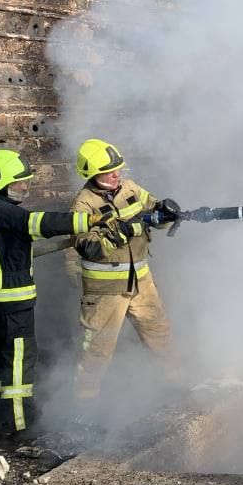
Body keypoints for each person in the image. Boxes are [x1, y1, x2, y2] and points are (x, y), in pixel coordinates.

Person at [0, 149, 95, 436]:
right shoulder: (9, 213)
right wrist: (91, 220)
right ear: (1, 183)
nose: (25, 187)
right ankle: (20, 423)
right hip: (13, 301)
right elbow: (46, 224)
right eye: (19, 182)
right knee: (18, 360)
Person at [67, 139, 181, 403]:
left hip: (142, 281)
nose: (116, 174)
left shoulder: (130, 188)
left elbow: (154, 214)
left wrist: (166, 212)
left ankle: (174, 387)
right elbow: (87, 247)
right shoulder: (83, 205)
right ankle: (84, 405)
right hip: (105, 291)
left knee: (159, 333)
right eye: (109, 171)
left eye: (118, 168)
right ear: (92, 174)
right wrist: (119, 234)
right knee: (97, 350)